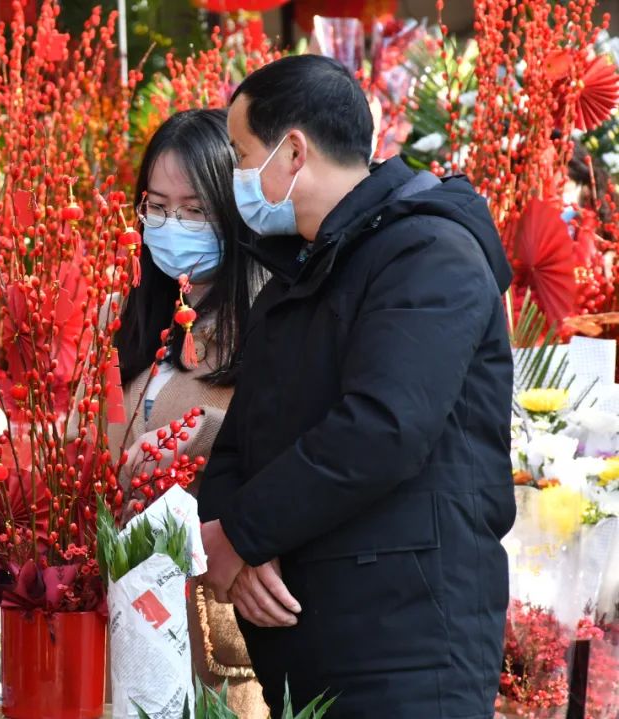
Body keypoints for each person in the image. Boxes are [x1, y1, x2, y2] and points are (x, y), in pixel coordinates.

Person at [198, 54, 515, 717]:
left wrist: (245, 533)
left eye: (239, 153)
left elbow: (383, 428)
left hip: (408, 646)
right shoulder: (300, 276)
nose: (233, 176)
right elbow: (240, 440)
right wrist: (236, 543)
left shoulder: (428, 252)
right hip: (313, 643)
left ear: (292, 152)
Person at [111, 108, 266, 716]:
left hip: (210, 629)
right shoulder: (121, 321)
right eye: (157, 206)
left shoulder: (263, 333)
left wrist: (194, 447)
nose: (172, 224)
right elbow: (75, 448)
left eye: (196, 210)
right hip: (115, 615)